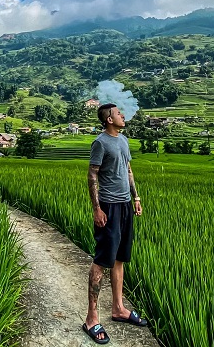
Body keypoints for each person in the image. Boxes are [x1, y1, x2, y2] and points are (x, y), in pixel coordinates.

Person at [82, 103, 148, 345]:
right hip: (108, 207)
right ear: (109, 119)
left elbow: (128, 170)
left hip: (125, 205)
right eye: (118, 113)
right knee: (102, 260)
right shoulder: (100, 143)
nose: (122, 115)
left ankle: (119, 308)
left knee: (120, 258)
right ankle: (91, 318)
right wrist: (97, 208)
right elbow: (92, 175)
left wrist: (136, 197)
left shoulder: (123, 140)